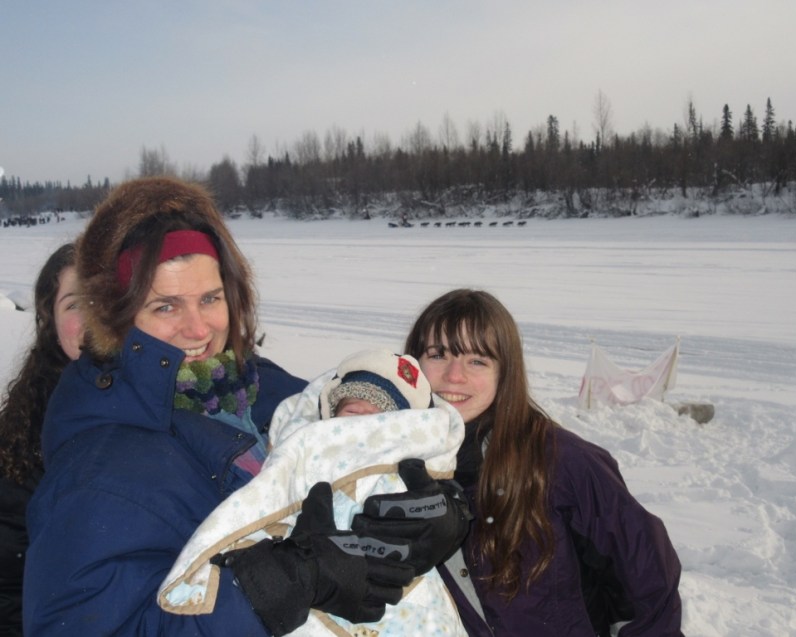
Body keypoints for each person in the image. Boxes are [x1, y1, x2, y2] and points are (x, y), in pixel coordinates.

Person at [23, 177, 470, 636]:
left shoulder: (265, 387)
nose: (198, 329)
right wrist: (274, 589)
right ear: (116, 318)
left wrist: (436, 514)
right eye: (165, 306)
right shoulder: (96, 472)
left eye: (210, 299)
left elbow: (367, 456)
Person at [386, 288, 684, 636]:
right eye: (438, 354)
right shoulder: (387, 465)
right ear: (412, 365)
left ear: (505, 372)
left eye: (477, 360)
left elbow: (648, 580)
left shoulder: (563, 462)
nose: (454, 375)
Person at [159, 348, 469, 636]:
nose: (363, 419)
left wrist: (453, 507)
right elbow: (265, 500)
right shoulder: (304, 447)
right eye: (352, 410)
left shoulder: (265, 381)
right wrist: (287, 574)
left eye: (379, 417)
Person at [0, 242, 83, 637]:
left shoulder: (178, 404)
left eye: (105, 297)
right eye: (74, 304)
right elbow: (8, 585)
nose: (94, 316)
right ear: (49, 321)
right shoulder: (25, 436)